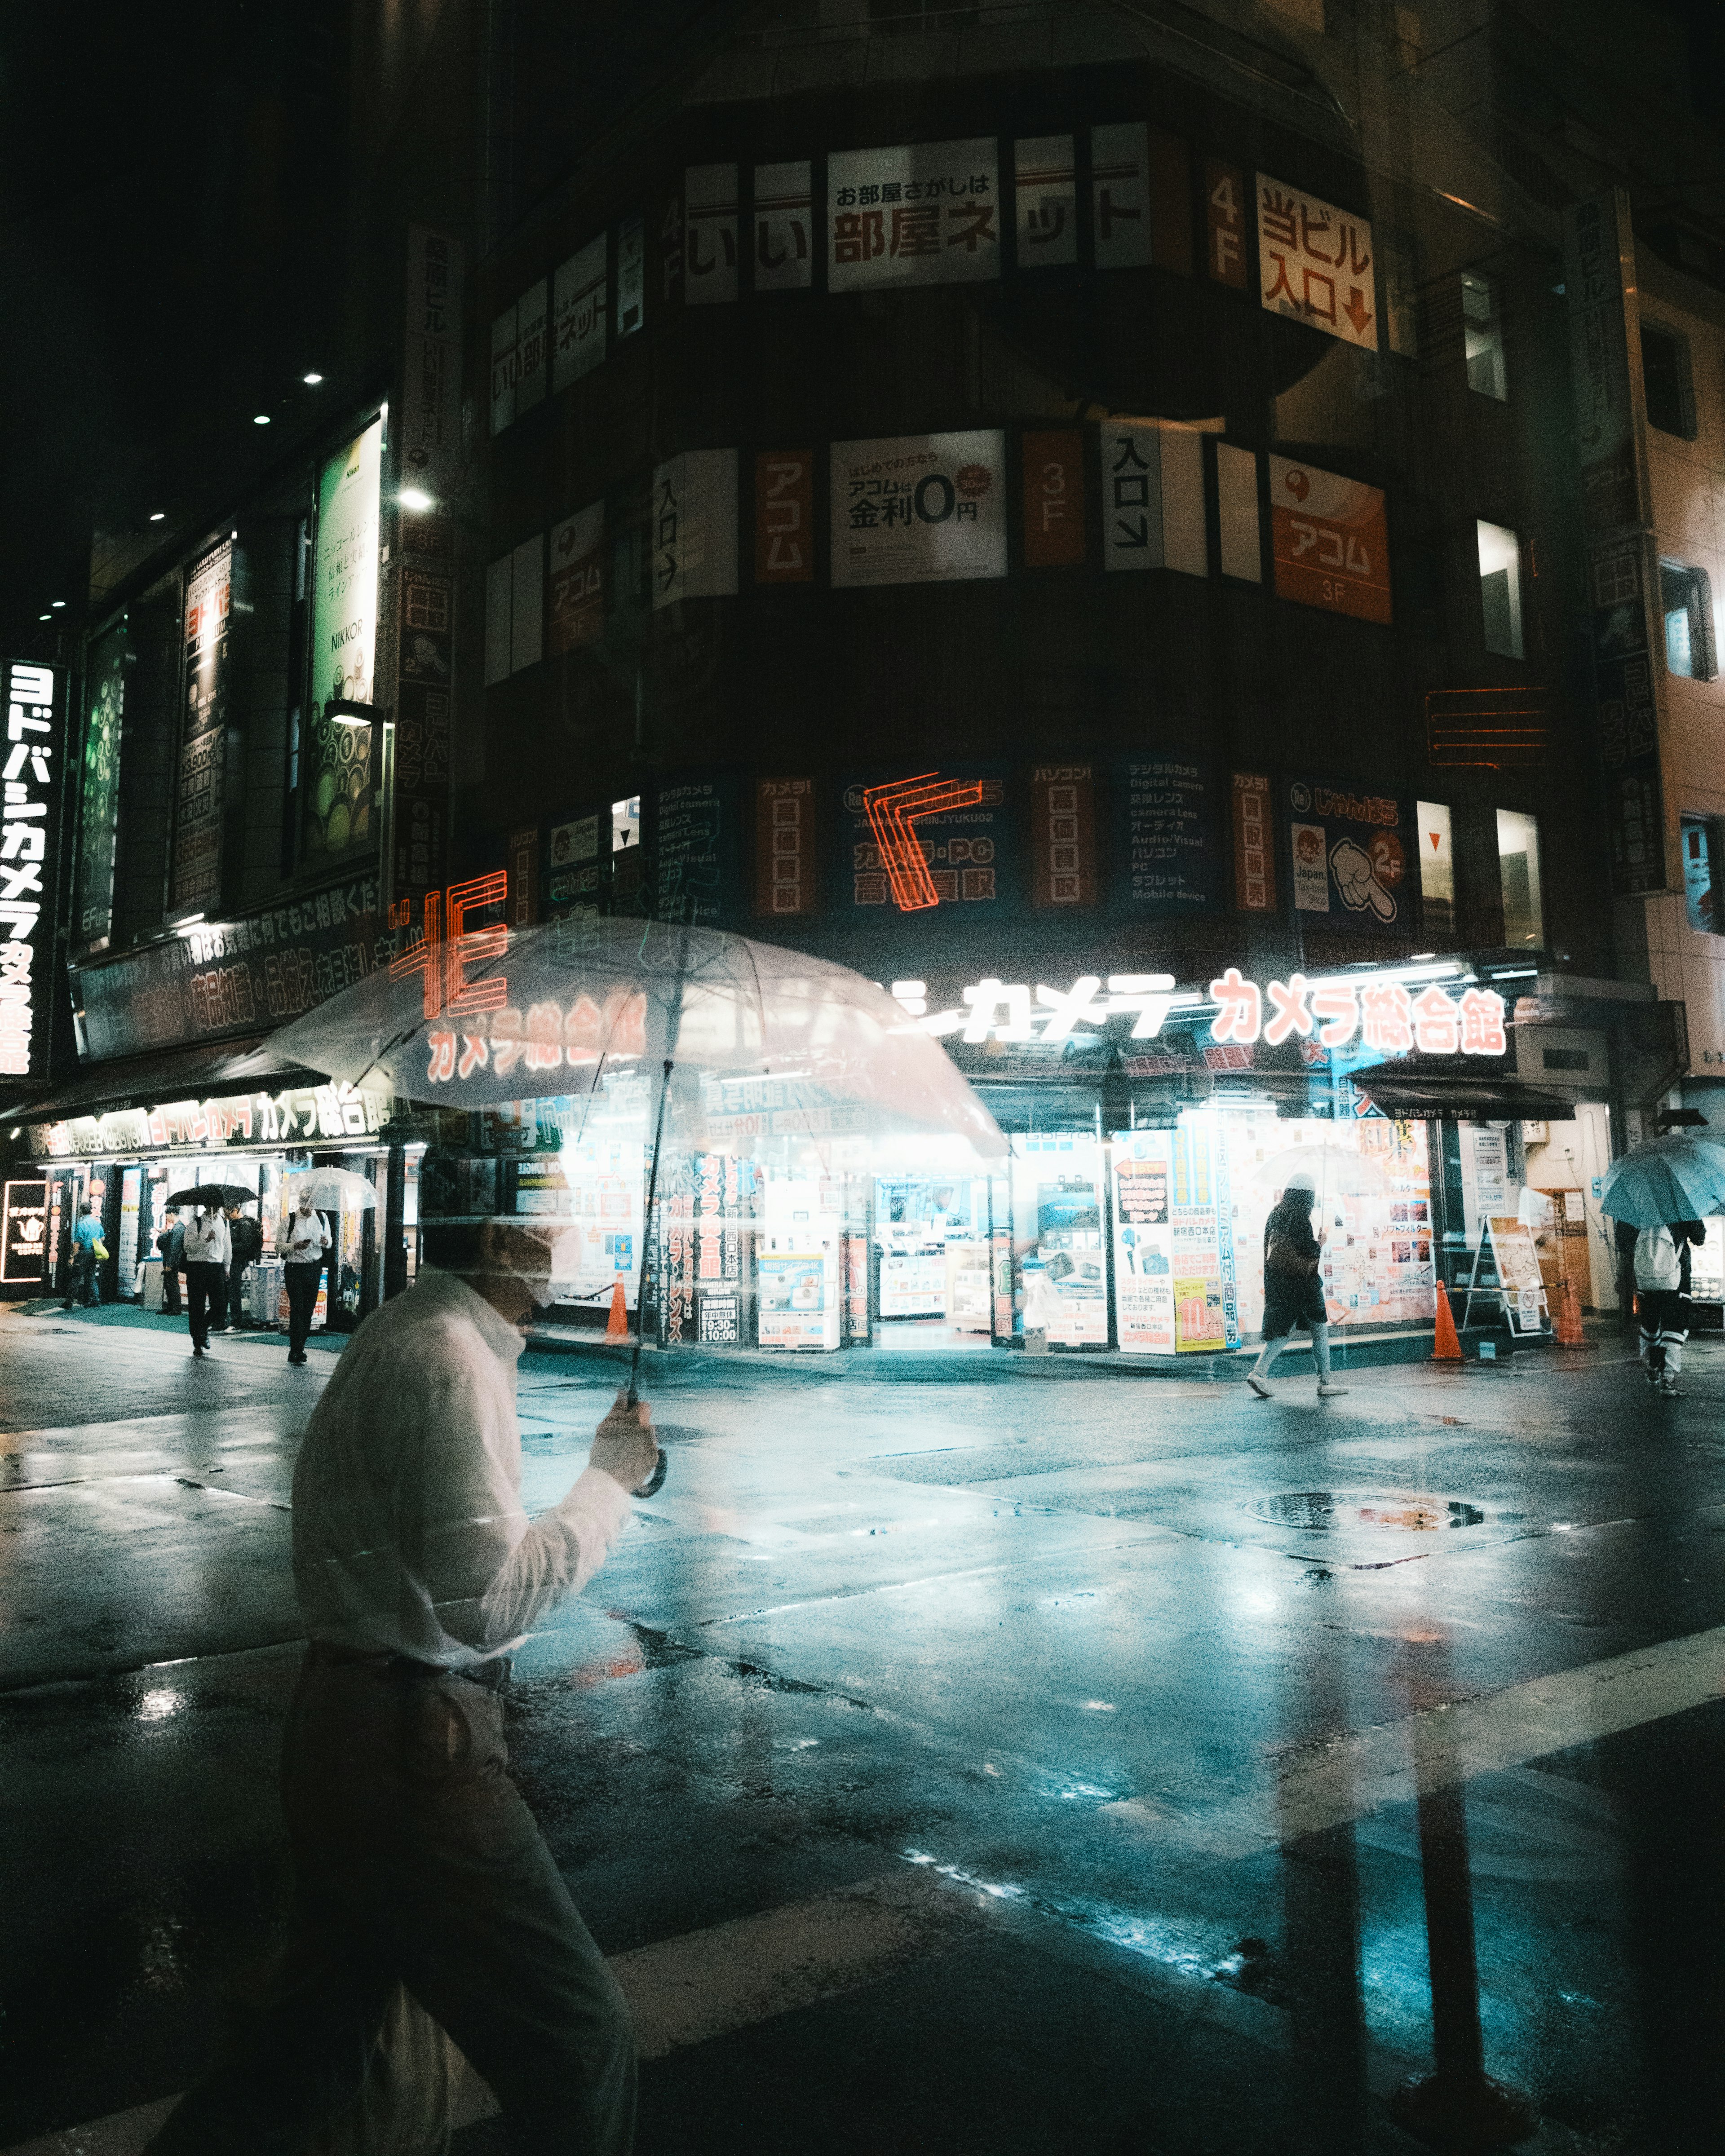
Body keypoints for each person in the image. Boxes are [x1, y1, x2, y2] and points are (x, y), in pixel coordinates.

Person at [141, 1202, 659, 2155]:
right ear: (502, 1242)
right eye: (556, 1227)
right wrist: (609, 1484)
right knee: (577, 2041)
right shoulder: (451, 1358)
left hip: (346, 1728)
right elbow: (489, 1603)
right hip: (418, 1752)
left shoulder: (414, 1329)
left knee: (303, 2051)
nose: (572, 1251)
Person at [1246, 1169, 1349, 1400]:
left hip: (1280, 1284)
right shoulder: (1301, 1219)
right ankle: (1324, 1382)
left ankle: (1259, 1373)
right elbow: (1307, 1254)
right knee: (1320, 1331)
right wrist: (1320, 1243)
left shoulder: (1276, 1215)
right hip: (1305, 1286)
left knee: (1283, 1331)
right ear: (1308, 1198)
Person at [1634, 1217, 1705, 1397]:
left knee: (1651, 1324)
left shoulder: (1637, 1206)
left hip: (1645, 1279)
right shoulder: (1681, 1206)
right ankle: (1668, 1379)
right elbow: (1699, 1238)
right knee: (1675, 1328)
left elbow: (1622, 1241)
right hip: (1677, 1279)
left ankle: (1652, 1368)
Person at [282, 1193, 332, 1365]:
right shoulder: (289, 1220)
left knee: (309, 1309)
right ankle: (295, 1349)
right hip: (294, 1267)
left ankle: (300, 1347)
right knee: (298, 1307)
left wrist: (325, 1241)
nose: (307, 1208)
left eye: (310, 1204)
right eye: (304, 1204)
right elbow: (279, 1246)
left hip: (314, 1267)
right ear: (300, 1203)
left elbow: (330, 1241)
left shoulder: (322, 1218)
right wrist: (295, 1246)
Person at [183, 1204, 231, 1358]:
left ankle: (202, 1329)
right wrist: (205, 1240)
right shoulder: (195, 1223)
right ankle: (198, 1342)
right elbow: (188, 1247)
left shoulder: (224, 1222)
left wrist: (227, 1266)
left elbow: (227, 1246)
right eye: (212, 1203)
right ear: (206, 1205)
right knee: (196, 1306)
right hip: (197, 1267)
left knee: (220, 1305)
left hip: (216, 1267)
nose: (215, 1207)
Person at [227, 1206, 264, 1330]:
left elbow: (246, 1245)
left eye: (230, 1211)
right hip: (233, 1261)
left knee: (234, 1291)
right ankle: (231, 1319)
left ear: (237, 1209)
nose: (228, 1213)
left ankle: (236, 1321)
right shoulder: (232, 1224)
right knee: (230, 1290)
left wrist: (229, 1246)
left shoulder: (245, 1225)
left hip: (239, 1262)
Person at [66, 1200, 103, 1308]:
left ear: (81, 1211)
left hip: (83, 1253)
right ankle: (95, 1300)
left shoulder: (82, 1224)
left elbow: (77, 1243)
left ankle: (69, 1302)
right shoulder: (96, 1223)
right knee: (91, 1276)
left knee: (77, 1277)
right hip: (93, 1252)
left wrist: (72, 1257)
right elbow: (103, 1237)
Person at [156, 1209, 186, 1315]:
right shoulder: (177, 1228)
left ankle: (176, 1308)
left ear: (172, 1214)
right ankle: (170, 1307)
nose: (167, 1219)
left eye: (167, 1216)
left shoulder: (178, 1228)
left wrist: (170, 1264)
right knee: (169, 1284)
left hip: (173, 1262)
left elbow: (175, 1248)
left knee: (172, 1284)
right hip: (171, 1260)